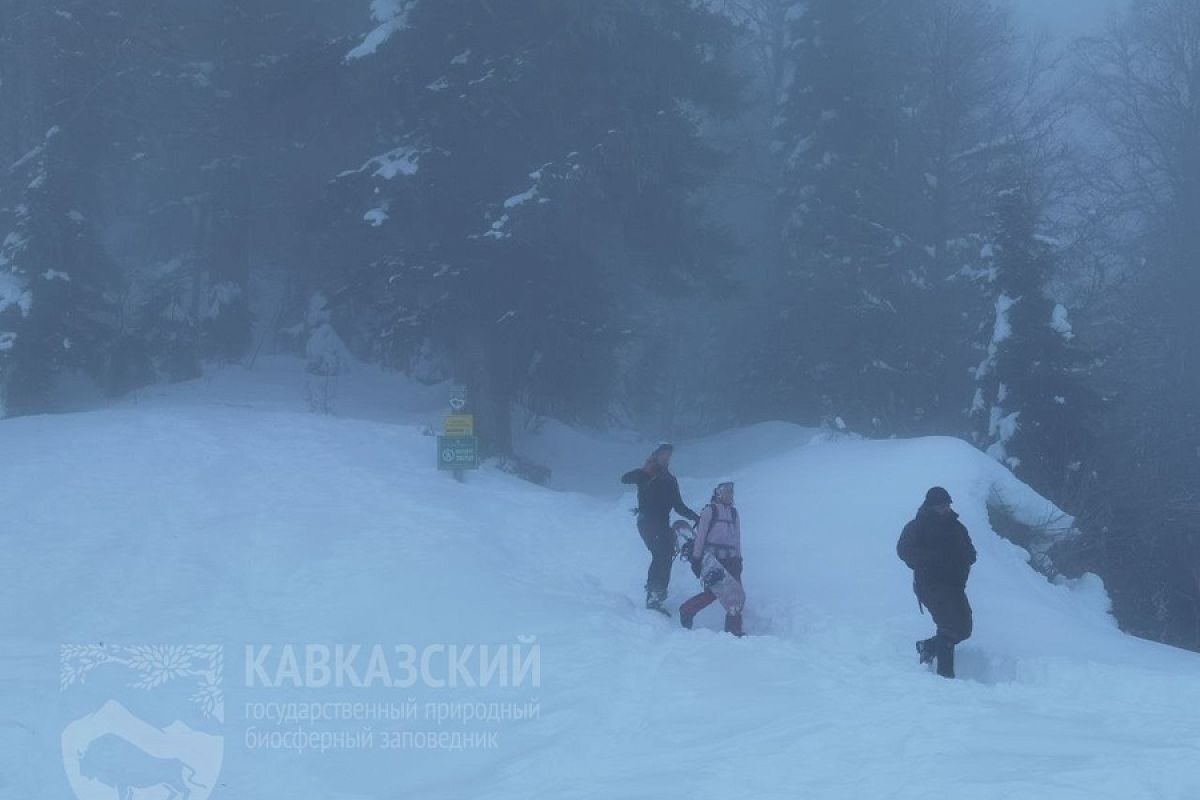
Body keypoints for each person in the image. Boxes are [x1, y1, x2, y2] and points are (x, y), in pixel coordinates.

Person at [897, 486, 977, 678]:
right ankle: (945, 677)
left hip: (955, 585)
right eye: (941, 506)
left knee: (964, 628)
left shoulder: (957, 527)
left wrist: (965, 557)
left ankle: (929, 646)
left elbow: (970, 552)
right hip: (930, 585)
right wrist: (931, 559)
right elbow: (903, 551)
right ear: (930, 506)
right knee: (949, 626)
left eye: (947, 505)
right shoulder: (917, 526)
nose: (945, 509)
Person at [621, 443, 700, 614]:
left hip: (662, 524)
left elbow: (678, 505)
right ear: (656, 455)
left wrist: (696, 517)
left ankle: (658, 596)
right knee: (660, 553)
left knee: (667, 555)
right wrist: (644, 472)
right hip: (648, 522)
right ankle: (653, 596)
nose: (667, 457)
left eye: (669, 455)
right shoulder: (646, 474)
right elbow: (625, 478)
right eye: (663, 454)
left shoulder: (670, 480)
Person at [679, 480, 744, 636]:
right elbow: (701, 536)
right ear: (718, 493)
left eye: (731, 492)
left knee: (737, 594)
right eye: (726, 491)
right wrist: (696, 558)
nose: (729, 495)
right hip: (714, 560)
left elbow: (737, 537)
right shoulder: (710, 511)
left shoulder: (734, 513)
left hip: (732, 559)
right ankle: (687, 610)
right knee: (713, 593)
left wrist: (739, 558)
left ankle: (734, 630)